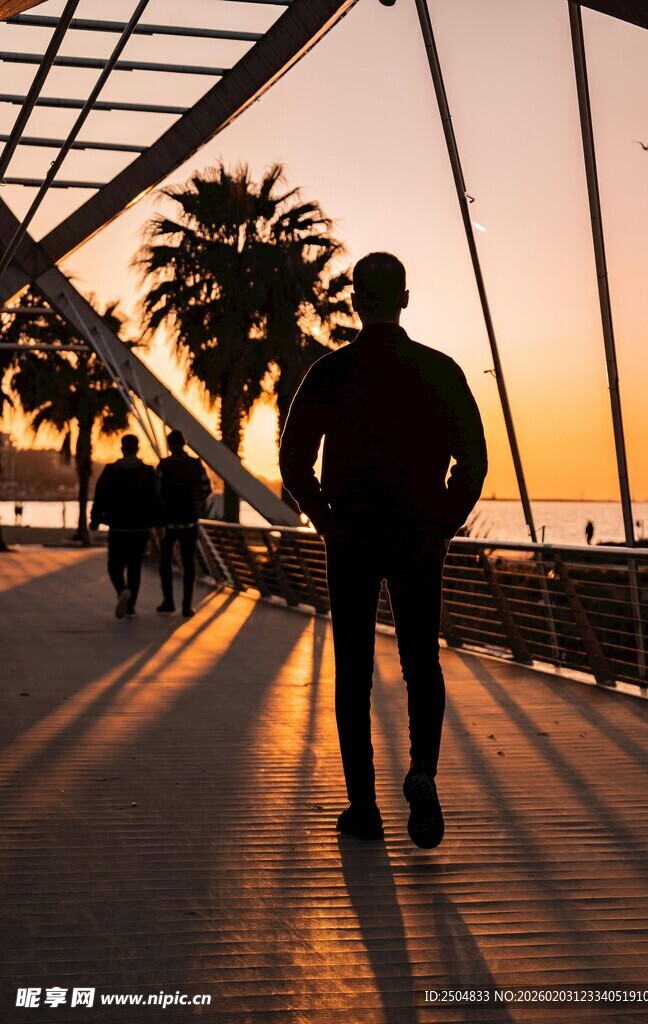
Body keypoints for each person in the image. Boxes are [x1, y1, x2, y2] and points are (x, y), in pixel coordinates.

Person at [280, 252, 488, 849]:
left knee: (353, 673)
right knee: (422, 662)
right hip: (419, 538)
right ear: (404, 298)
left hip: (353, 541)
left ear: (354, 301)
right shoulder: (440, 370)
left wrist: (328, 521)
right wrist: (441, 524)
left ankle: (363, 808)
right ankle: (422, 769)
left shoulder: (329, 372)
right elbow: (472, 462)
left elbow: (294, 464)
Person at [90, 434, 162, 619]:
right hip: (140, 528)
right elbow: (155, 499)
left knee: (114, 566)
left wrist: (95, 519)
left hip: (118, 527)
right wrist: (158, 523)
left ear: (122, 448)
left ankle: (122, 591)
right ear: (137, 449)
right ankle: (130, 606)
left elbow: (100, 496)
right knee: (134, 567)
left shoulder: (111, 470)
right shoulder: (147, 472)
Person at [156, 429, 211, 618]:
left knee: (165, 562)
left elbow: (156, 493)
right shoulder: (196, 465)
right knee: (189, 563)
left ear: (170, 445)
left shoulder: (163, 466)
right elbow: (206, 488)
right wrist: (196, 504)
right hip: (189, 521)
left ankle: (168, 602)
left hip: (169, 522)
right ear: (185, 444)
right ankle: (187, 606)